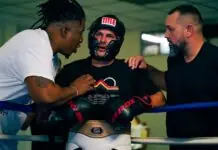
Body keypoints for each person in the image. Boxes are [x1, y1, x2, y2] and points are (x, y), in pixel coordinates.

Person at [52, 14, 166, 150]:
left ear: (118, 41)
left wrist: (132, 107)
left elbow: (160, 99)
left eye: (109, 36)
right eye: (99, 34)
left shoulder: (129, 69)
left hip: (117, 142)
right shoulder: (72, 70)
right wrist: (69, 109)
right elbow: (50, 99)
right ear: (91, 36)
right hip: (77, 141)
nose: (102, 40)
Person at [0, 0, 96, 149]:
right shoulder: (35, 42)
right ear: (65, 31)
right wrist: (76, 89)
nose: (81, 39)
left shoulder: (53, 60)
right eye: (80, 32)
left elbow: (35, 111)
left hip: (6, 126)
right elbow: (46, 96)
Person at [126, 4, 218, 150]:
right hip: (177, 143)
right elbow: (171, 83)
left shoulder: (214, 59)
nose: (166, 34)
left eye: (171, 29)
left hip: (209, 144)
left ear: (189, 30)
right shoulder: (175, 59)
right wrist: (147, 68)